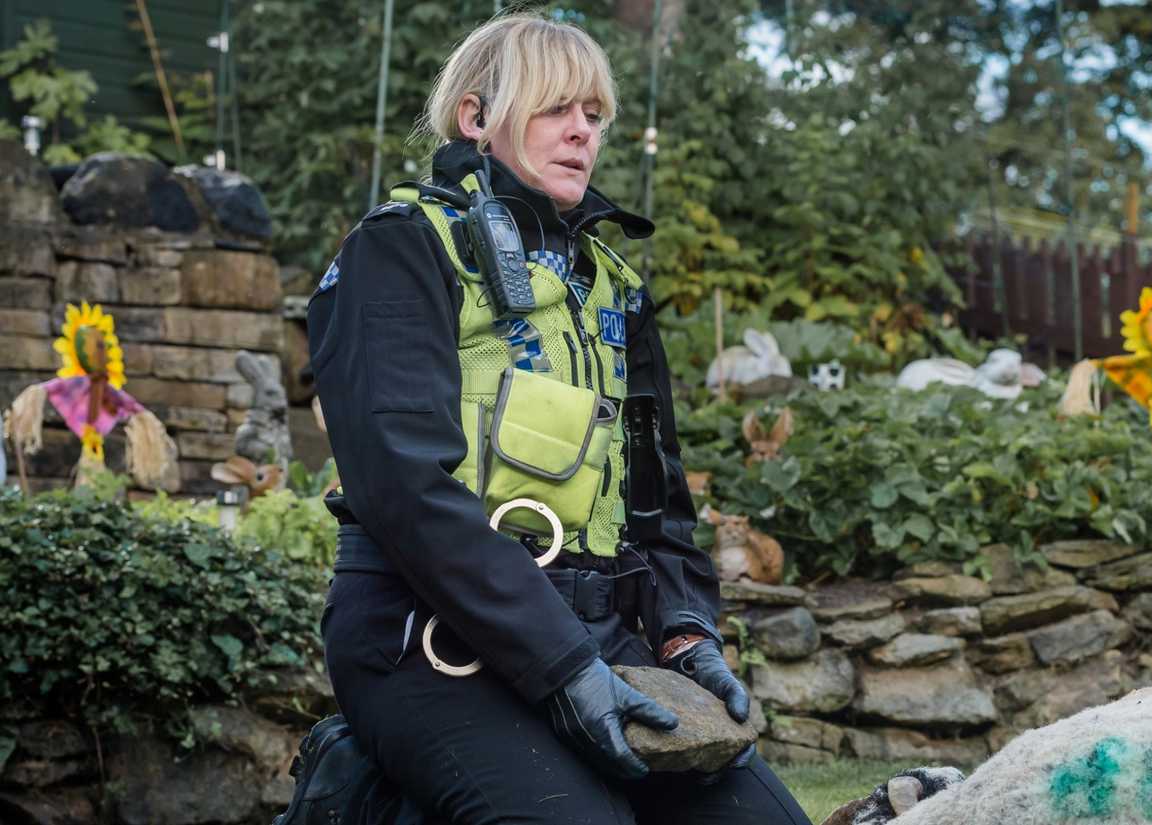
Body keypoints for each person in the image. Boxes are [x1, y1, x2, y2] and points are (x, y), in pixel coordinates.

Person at [277, 13, 807, 825]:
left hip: (598, 639)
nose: (581, 132)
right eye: (556, 107)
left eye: (593, 115)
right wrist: (560, 667)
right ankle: (370, 798)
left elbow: (657, 512)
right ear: (477, 118)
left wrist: (685, 634)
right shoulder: (402, 248)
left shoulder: (614, 283)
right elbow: (403, 487)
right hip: (425, 639)